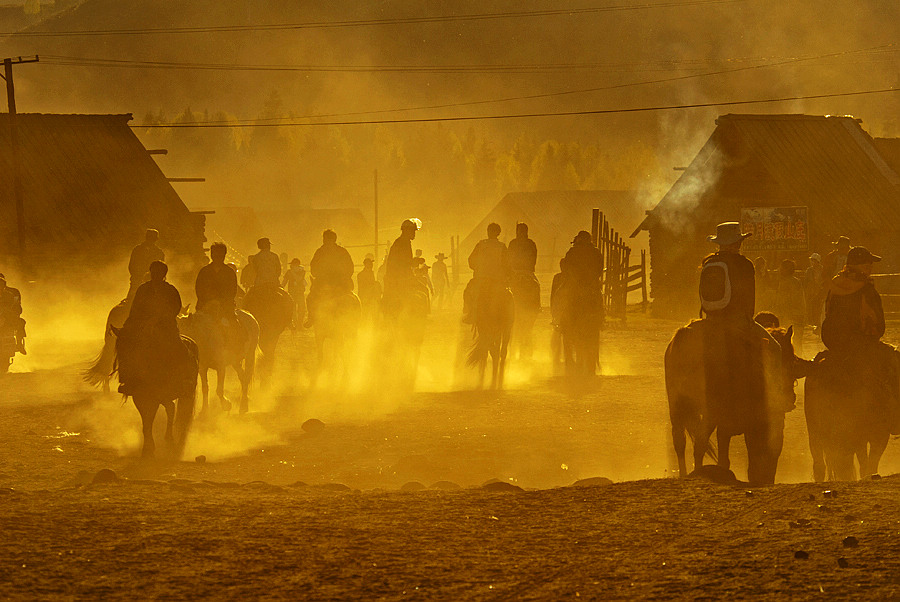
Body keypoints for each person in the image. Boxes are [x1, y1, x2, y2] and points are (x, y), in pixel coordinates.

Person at [819, 246, 900, 430]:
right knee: (896, 362)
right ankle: (896, 419)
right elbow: (878, 325)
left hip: (834, 343)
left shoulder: (835, 285)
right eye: (868, 264)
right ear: (859, 266)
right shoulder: (866, 290)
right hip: (861, 345)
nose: (870, 267)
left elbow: (827, 311)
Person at [117, 261, 192, 396]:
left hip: (166, 327)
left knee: (181, 350)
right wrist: (129, 326)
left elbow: (175, 308)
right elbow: (135, 310)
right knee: (127, 348)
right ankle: (127, 380)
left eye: (159, 273)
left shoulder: (171, 290)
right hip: (143, 327)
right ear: (151, 273)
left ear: (164, 274)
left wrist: (158, 319)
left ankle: (184, 381)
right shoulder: (143, 289)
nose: (156, 275)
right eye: (154, 272)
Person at [304, 230, 354, 328]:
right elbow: (350, 268)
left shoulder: (320, 252)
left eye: (324, 238)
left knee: (310, 298)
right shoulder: (342, 251)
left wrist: (321, 275)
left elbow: (313, 269)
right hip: (341, 285)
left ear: (326, 239)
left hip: (323, 285)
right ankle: (353, 321)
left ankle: (311, 318)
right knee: (353, 300)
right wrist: (344, 277)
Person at [463, 222, 510, 323]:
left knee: (468, 292)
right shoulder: (502, 246)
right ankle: (508, 318)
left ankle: (470, 313)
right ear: (498, 233)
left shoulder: (481, 245)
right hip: (498, 280)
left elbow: (471, 260)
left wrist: (477, 269)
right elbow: (507, 264)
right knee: (508, 297)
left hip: (481, 279)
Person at [382, 218, 421, 317]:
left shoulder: (401, 242)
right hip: (399, 279)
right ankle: (419, 319)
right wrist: (415, 261)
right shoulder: (403, 243)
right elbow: (403, 263)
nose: (414, 233)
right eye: (412, 231)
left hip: (396, 278)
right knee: (421, 290)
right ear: (407, 230)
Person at [773, 259, 806, 354]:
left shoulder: (786, 282)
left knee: (788, 341)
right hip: (797, 314)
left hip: (789, 315)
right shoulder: (796, 281)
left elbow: (784, 301)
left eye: (782, 268)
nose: (780, 270)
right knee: (797, 341)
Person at [507, 222, 541, 316]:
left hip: (515, 272)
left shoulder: (513, 243)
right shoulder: (531, 243)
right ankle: (537, 307)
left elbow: (508, 258)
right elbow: (534, 259)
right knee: (537, 287)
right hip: (528, 272)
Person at [127, 229, 165, 299]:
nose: (151, 240)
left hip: (154, 283)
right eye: (150, 238)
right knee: (130, 301)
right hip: (138, 282)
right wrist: (138, 277)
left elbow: (162, 269)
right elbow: (132, 266)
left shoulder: (159, 252)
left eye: (153, 238)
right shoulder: (138, 249)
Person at [0, 274, 26, 354]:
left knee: (21, 322)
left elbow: (17, 308)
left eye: (1, 283)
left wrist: (7, 313)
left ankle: (19, 344)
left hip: (8, 320)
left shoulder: (10, 294)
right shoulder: (11, 293)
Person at [281, 258, 307, 328]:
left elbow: (298, 279)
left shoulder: (302, 272)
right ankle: (295, 324)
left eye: (292, 265)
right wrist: (281, 288)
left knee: (301, 309)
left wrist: (292, 272)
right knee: (293, 309)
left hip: (300, 293)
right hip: (292, 293)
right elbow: (284, 282)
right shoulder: (289, 272)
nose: (291, 266)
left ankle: (300, 324)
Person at [804, 253, 824, 327]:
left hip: (820, 292)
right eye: (811, 261)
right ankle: (812, 322)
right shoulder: (809, 270)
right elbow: (806, 282)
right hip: (811, 292)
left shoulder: (822, 270)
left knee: (819, 308)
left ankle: (818, 323)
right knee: (810, 307)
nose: (812, 262)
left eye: (814, 261)